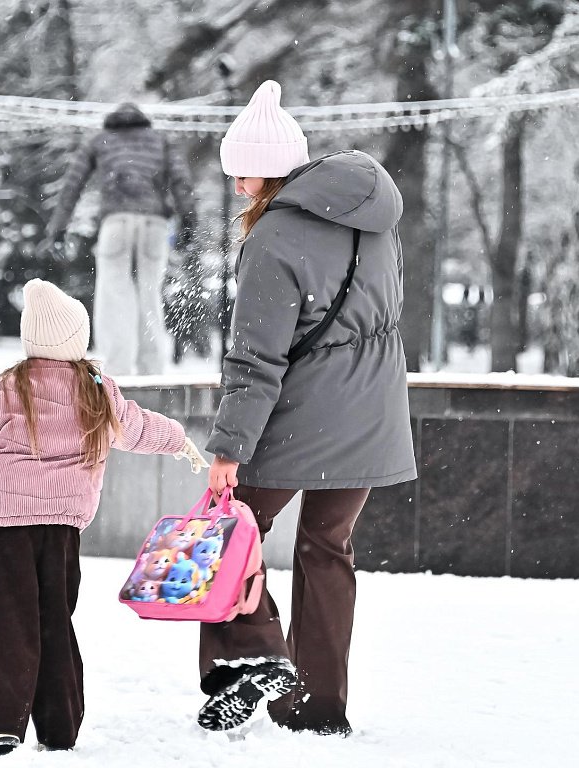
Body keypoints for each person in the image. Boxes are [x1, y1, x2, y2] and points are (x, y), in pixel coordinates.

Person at [0, 279, 208, 761]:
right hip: (63, 531)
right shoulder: (95, 388)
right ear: (75, 339)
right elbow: (136, 426)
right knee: (53, 621)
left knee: (4, 624)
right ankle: (59, 724)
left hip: (9, 530)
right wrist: (179, 441)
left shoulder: (6, 388)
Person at [198, 80, 417, 737]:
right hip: (374, 416)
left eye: (242, 172)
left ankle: (255, 660)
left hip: (302, 419)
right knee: (328, 550)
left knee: (225, 537)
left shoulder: (274, 240)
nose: (238, 187)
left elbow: (256, 359)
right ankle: (319, 711)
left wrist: (228, 448)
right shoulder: (376, 222)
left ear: (269, 168)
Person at [45, 102, 197, 375]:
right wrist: (189, 223)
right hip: (154, 223)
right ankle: (152, 371)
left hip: (115, 222)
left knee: (116, 295)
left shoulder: (100, 141)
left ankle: (120, 371)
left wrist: (58, 228)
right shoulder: (160, 141)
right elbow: (181, 180)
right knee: (149, 293)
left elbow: (72, 184)